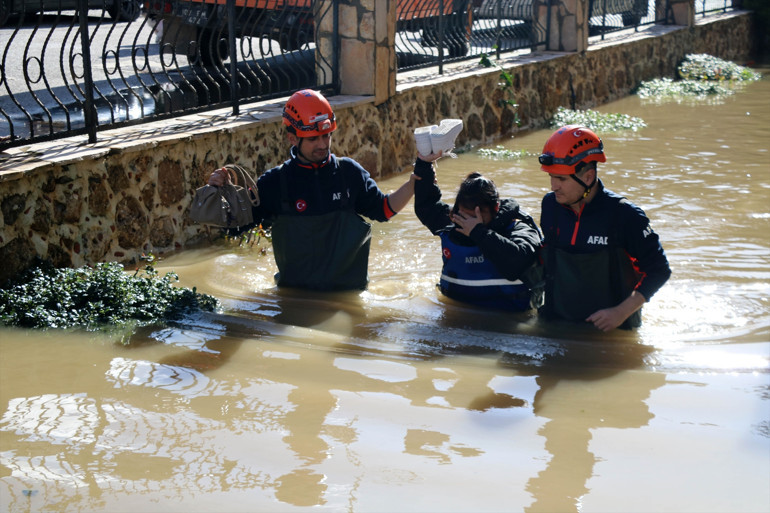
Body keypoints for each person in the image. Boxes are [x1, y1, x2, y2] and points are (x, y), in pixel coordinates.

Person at [207, 89, 418, 291]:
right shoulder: (275, 182)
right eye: (313, 139)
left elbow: (383, 210)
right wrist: (219, 193)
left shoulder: (349, 174)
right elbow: (233, 227)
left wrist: (412, 185)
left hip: (348, 295)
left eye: (326, 136)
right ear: (292, 138)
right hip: (294, 298)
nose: (323, 144)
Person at [537, 124, 671, 331]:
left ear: (588, 177)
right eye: (551, 177)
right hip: (557, 326)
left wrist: (621, 312)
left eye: (561, 179)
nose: (553, 186)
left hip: (610, 332)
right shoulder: (550, 205)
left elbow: (659, 270)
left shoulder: (625, 215)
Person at [413, 154, 544, 312]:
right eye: (464, 216)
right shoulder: (454, 223)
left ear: (495, 209)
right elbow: (426, 205)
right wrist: (424, 162)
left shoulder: (518, 228)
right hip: (458, 315)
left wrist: (478, 232)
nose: (467, 223)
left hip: (508, 321)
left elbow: (517, 264)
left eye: (475, 217)